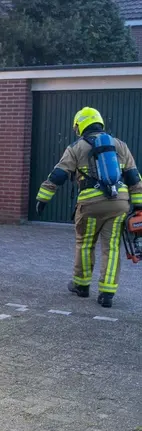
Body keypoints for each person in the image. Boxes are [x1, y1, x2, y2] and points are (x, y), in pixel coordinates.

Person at [35, 107, 142, 308]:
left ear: (80, 125)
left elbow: (58, 175)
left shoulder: (76, 147)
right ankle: (107, 293)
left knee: (85, 244)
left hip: (91, 205)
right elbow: (134, 179)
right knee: (111, 248)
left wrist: (43, 198)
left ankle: (82, 286)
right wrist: (138, 206)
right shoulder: (120, 145)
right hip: (119, 204)